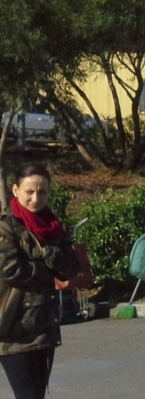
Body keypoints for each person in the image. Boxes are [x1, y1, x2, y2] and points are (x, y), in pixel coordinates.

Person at [0, 164, 79, 399]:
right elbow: (10, 269)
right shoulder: (6, 226)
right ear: (15, 190)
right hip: (13, 328)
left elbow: (70, 268)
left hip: (44, 326)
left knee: (37, 395)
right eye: (29, 192)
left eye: (42, 192)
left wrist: (51, 260)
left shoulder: (53, 226)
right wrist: (48, 267)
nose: (36, 198)